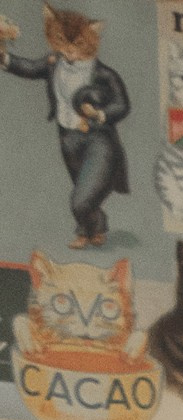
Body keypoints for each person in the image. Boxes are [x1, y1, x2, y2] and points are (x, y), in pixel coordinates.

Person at [0, 7, 133, 247]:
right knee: (81, 189)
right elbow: (29, 68)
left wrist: (100, 114)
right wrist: (4, 57)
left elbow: (122, 105)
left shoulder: (105, 75)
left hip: (99, 140)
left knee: (81, 199)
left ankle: (86, 225)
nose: (70, 50)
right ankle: (93, 229)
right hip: (68, 138)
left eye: (78, 44)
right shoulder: (53, 63)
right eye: (63, 42)